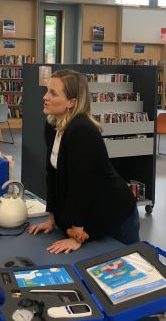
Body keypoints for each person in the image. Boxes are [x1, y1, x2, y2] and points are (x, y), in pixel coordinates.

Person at [28, 69, 140, 254]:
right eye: (47, 91)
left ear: (71, 102)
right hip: (89, 212)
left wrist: (76, 235)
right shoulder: (52, 125)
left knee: (128, 268)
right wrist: (52, 219)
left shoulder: (82, 131)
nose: (45, 97)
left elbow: (81, 185)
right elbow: (53, 176)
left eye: (53, 93)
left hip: (114, 214)